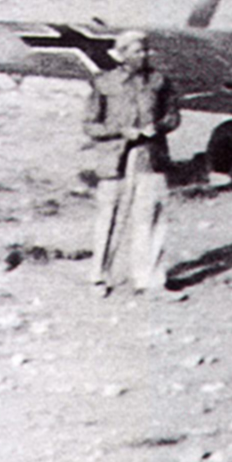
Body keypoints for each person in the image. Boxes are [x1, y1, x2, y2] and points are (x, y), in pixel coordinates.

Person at [83, 31, 178, 297]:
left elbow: (173, 116)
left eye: (145, 50)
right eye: (137, 51)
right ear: (122, 54)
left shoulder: (159, 82)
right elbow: (90, 125)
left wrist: (157, 127)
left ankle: (151, 281)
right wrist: (121, 131)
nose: (144, 56)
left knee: (151, 218)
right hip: (115, 160)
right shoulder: (104, 83)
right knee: (109, 218)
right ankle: (99, 278)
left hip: (150, 158)